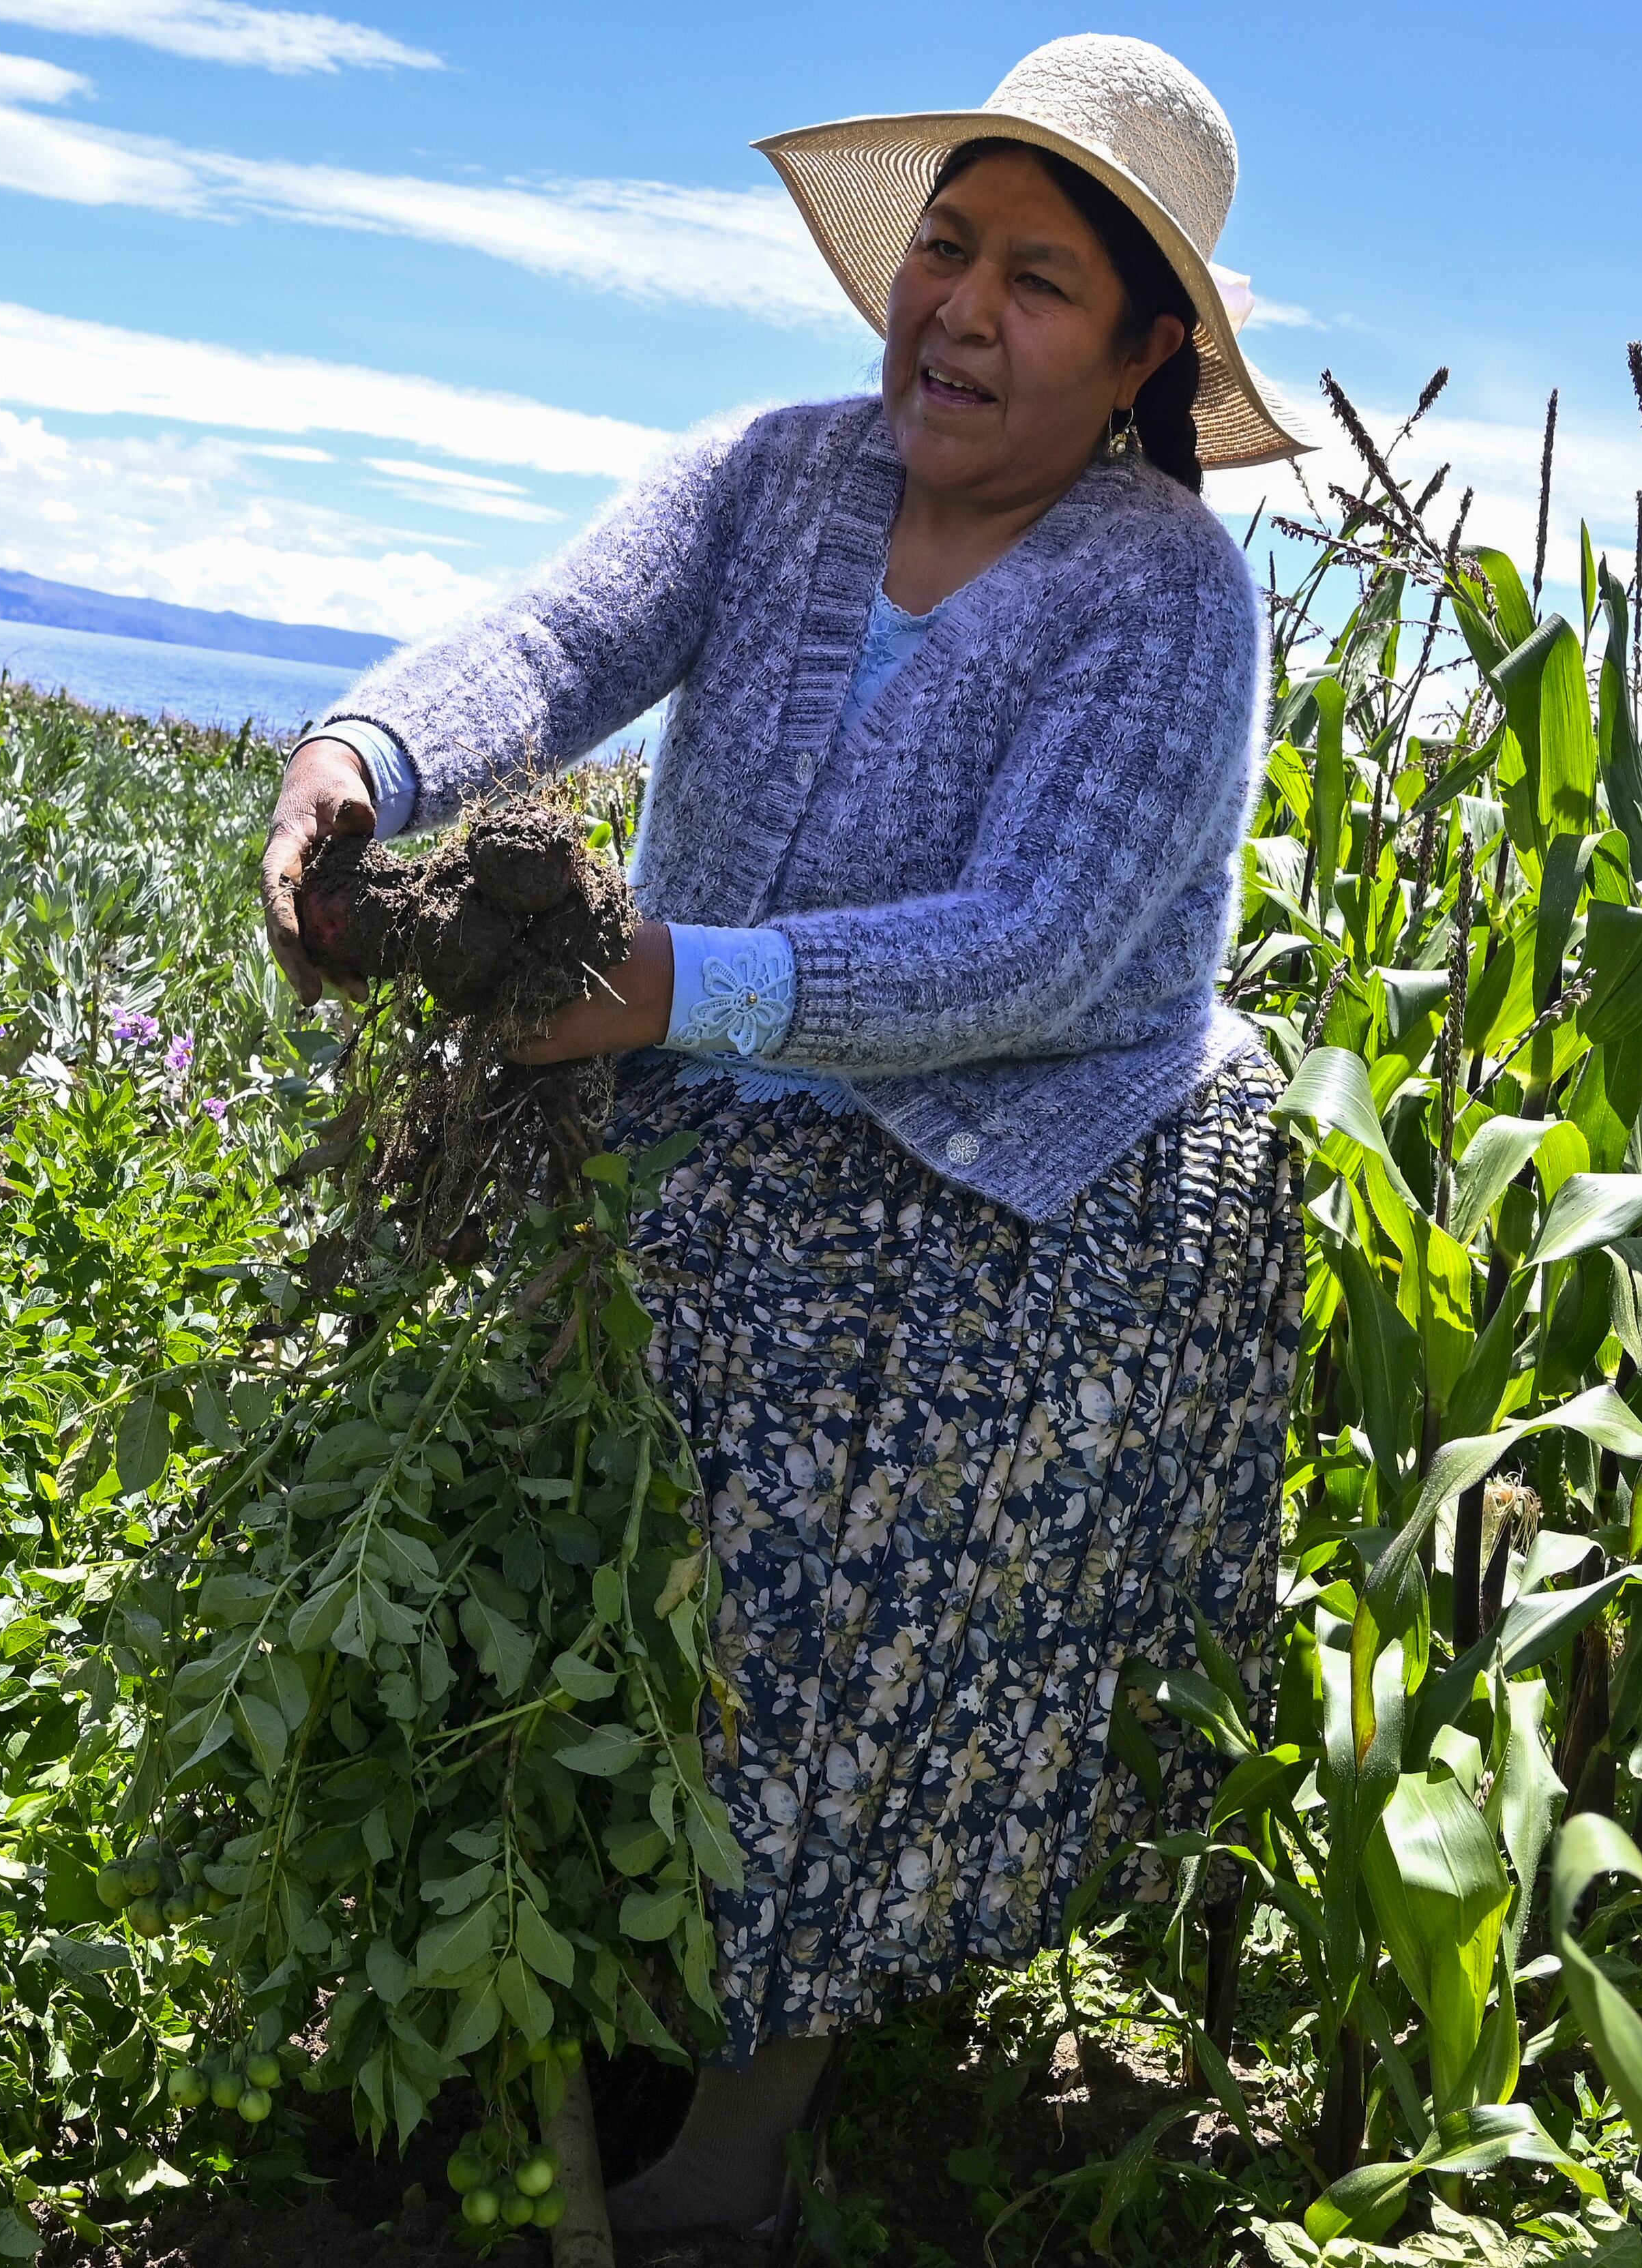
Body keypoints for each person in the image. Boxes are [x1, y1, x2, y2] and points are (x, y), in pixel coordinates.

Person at [258, 33, 1312, 2241]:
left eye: (1038, 279)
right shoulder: (777, 474)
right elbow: (561, 635)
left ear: (1139, 352)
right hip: (693, 1089)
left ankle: (742, 2139)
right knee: (541, 1512)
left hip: (1003, 1169)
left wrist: (669, 991)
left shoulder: (1165, 597)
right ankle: (490, 2005)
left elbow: (1035, 950)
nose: (960, 307)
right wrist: (363, 757)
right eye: (946, 246)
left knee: (824, 1623)